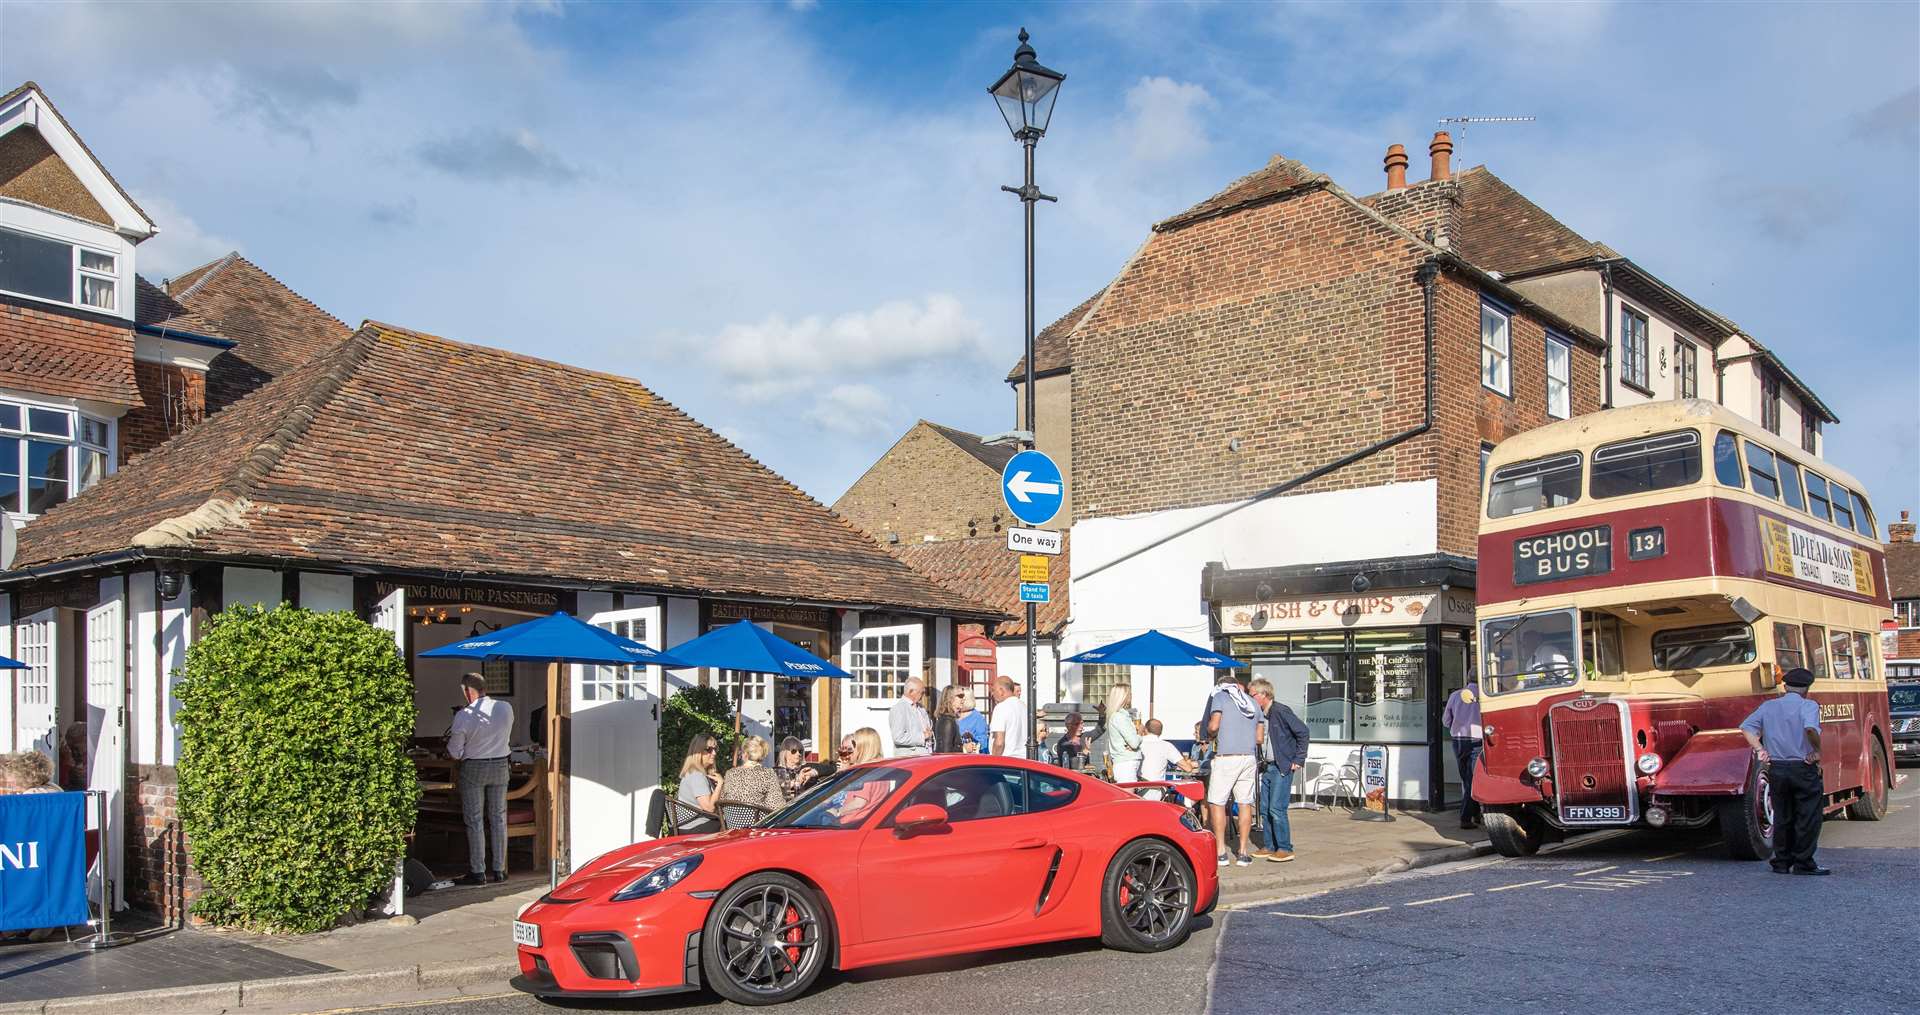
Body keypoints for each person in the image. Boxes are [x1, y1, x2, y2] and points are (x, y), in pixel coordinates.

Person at [1739, 667, 1830, 875]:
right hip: (1802, 768)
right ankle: (1803, 862)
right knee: (1807, 817)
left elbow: (1746, 728)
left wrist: (1760, 749)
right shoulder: (1809, 705)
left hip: (1777, 768)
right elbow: (1810, 729)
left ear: (1785, 686)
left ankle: (1781, 861)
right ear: (1807, 688)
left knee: (1782, 816)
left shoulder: (1769, 706)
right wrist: (1817, 750)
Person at [446, 673, 515, 885]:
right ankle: (500, 869)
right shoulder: (505, 707)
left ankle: (478, 871)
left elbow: (455, 752)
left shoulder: (464, 715)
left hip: (475, 766)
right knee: (498, 818)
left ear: (468, 691)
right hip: (501, 763)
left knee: (475, 819)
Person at [1249, 678, 1309, 862]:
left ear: (1264, 695)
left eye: (1253, 695)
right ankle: (1269, 846)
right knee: (1265, 808)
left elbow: (1303, 732)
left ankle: (1285, 848)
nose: (1250, 699)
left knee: (1277, 808)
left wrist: (1298, 759)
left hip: (1281, 766)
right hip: (1267, 766)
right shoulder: (1262, 715)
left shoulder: (1280, 711)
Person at [1206, 673, 1262, 867]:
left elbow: (1214, 725)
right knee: (1245, 802)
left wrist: (1211, 731)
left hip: (1227, 758)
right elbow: (1259, 738)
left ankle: (1221, 851)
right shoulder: (1252, 703)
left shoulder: (1220, 697)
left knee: (1217, 802)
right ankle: (1243, 852)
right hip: (1249, 757)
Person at [1441, 672, 1485, 829]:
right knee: (1472, 781)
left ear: (1467, 679)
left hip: (1458, 741)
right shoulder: (1485, 695)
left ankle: (1474, 814)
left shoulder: (1455, 695)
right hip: (1477, 740)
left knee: (1467, 779)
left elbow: (1446, 721)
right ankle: (1466, 818)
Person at [717, 737, 788, 818]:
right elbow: (777, 807)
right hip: (756, 827)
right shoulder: (767, 774)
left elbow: (722, 801)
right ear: (763, 754)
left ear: (744, 754)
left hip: (732, 826)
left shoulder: (730, 773)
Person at [1137, 719, 1197, 801]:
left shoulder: (1136, 744)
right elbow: (1188, 768)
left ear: (1146, 730)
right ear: (1160, 733)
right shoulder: (1166, 746)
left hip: (1135, 790)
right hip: (1156, 792)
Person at [675, 735, 724, 833]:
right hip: (695, 828)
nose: (714, 753)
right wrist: (720, 784)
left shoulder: (697, 772)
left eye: (715, 748)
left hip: (691, 825)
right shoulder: (697, 775)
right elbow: (709, 808)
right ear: (698, 752)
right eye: (709, 749)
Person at [1104, 685, 1143, 783]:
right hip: (1126, 763)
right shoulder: (1119, 717)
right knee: (1128, 797)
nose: (1131, 696)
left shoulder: (1118, 716)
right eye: (1129, 694)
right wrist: (1140, 733)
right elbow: (1134, 743)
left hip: (1124, 763)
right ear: (1123, 697)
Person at [888, 677, 932, 757]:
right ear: (911, 692)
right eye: (921, 693)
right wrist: (923, 736)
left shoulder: (921, 708)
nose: (923, 696)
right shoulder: (899, 709)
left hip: (925, 756)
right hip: (909, 759)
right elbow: (898, 738)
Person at [989, 675, 1029, 757]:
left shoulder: (1001, 707)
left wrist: (993, 761)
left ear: (1001, 690)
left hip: (1007, 762)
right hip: (1025, 761)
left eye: (993, 690)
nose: (992, 694)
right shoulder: (1024, 707)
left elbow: (999, 742)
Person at [934, 686, 968, 754]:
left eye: (963, 696)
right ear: (950, 698)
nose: (963, 699)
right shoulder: (947, 721)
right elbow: (946, 752)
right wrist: (964, 748)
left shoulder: (950, 719)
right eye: (960, 696)